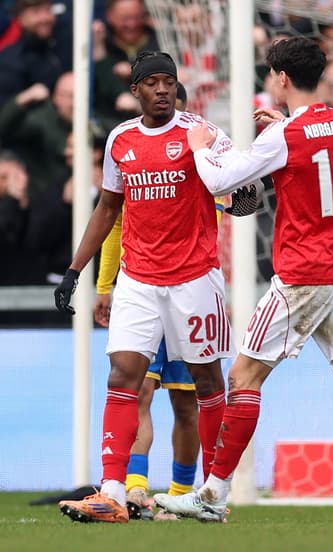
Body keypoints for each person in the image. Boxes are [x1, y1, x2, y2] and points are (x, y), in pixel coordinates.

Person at [153, 36, 333, 525]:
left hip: (304, 276)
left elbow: (223, 181)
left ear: (281, 79)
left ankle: (212, 494)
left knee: (244, 376)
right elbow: (325, 154)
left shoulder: (284, 137)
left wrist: (202, 148)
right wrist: (285, 130)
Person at [54, 51, 249, 523]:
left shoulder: (201, 133)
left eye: (169, 82)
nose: (162, 89)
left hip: (195, 279)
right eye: (153, 82)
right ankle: (114, 493)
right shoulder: (121, 141)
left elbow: (240, 191)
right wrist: (76, 270)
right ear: (135, 90)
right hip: (138, 281)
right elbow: (107, 209)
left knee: (205, 384)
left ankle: (208, 495)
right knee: (123, 377)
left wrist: (245, 195)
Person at [90, 85, 207, 522]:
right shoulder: (131, 154)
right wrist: (106, 286)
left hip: (188, 290)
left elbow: (220, 216)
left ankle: (180, 494)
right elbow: (114, 223)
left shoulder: (200, 159)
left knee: (187, 402)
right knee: (135, 386)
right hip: (140, 288)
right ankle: (134, 491)